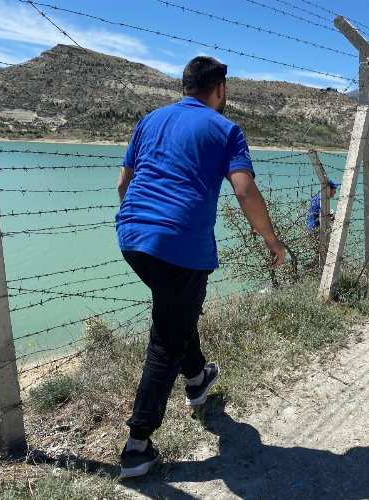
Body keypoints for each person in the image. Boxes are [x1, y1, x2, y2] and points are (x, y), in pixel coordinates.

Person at [115, 56, 286, 479]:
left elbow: (124, 184)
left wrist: (147, 230)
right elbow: (245, 191)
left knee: (178, 311)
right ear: (220, 89)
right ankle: (138, 445)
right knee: (166, 337)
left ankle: (197, 379)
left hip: (131, 237)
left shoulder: (149, 120)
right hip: (180, 245)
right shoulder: (226, 129)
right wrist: (271, 239)